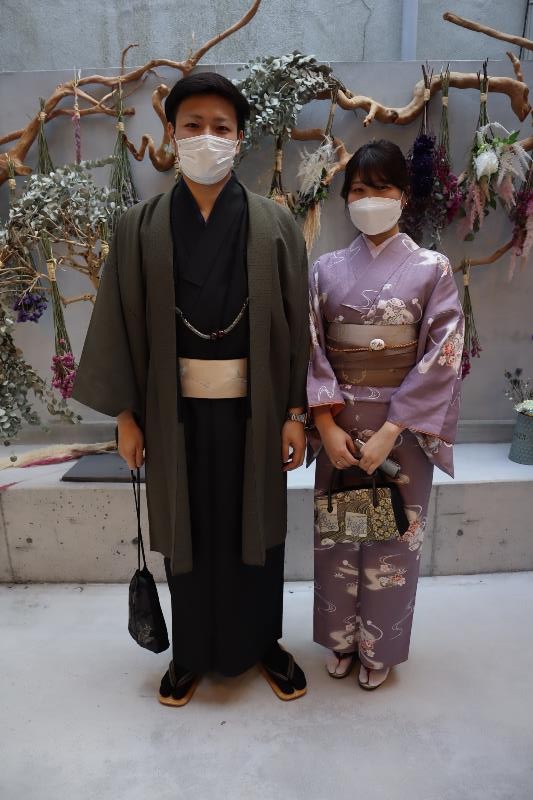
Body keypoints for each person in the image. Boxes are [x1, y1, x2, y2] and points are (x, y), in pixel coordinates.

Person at [72, 72, 310, 705]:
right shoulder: (139, 226)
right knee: (189, 533)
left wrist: (295, 411)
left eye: (222, 127)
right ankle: (191, 652)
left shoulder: (275, 224)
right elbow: (120, 324)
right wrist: (126, 416)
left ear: (239, 138)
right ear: (172, 135)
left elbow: (297, 325)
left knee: (256, 530)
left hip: (256, 412)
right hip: (172, 414)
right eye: (194, 125)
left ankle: (262, 642)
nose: (208, 137)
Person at [307, 139, 464, 690]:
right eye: (357, 190)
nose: (368, 199)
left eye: (381, 188)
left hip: (403, 431)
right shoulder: (325, 269)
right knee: (340, 536)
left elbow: (444, 352)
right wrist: (325, 425)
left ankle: (381, 646)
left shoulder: (432, 268)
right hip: (341, 427)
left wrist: (394, 427)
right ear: (345, 198)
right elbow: (311, 348)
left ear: (404, 195)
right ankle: (341, 640)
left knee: (393, 538)